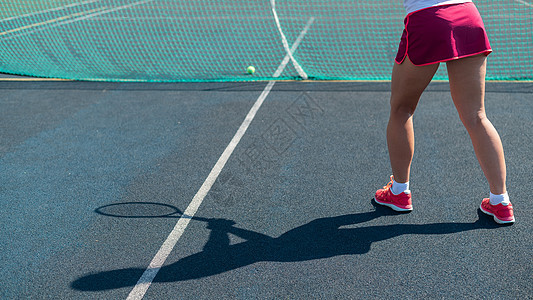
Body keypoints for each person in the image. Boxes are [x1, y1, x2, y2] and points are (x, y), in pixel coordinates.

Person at [373, 0, 515, 224]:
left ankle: (399, 192)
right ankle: (501, 202)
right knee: (477, 116)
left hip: (427, 19)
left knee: (402, 109)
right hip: (467, 14)